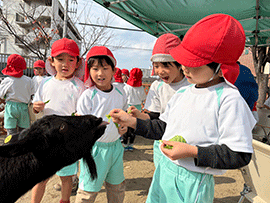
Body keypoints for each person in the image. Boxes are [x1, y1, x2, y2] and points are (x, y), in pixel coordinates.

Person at [109, 14, 256, 202]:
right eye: (184, 60)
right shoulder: (183, 93)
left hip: (193, 181)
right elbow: (163, 128)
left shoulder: (228, 99)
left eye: (193, 64)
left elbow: (239, 154)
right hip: (165, 171)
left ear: (218, 67)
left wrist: (192, 152)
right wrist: (132, 122)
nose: (185, 67)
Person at [31, 38, 85, 203]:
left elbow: (82, 112)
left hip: (67, 140)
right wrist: (36, 107)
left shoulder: (79, 86)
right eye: (60, 59)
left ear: (77, 63)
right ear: (51, 61)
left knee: (66, 177)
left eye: (70, 59)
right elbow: (36, 108)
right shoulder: (45, 83)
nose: (65, 63)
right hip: (46, 138)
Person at [75, 46, 127, 203]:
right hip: (94, 150)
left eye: (105, 68)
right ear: (89, 71)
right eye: (95, 68)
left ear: (113, 70)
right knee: (88, 192)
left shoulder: (120, 92)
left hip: (115, 147)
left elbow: (123, 115)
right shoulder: (88, 96)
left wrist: (123, 127)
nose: (100, 73)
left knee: (117, 186)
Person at [128, 33, 189, 164]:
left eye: (166, 65)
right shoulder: (157, 86)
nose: (160, 71)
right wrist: (138, 115)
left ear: (179, 64)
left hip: (186, 143)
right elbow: (154, 116)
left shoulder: (191, 85)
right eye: (156, 66)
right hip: (162, 140)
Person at [0, 54, 34, 138]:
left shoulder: (7, 80)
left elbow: (1, 95)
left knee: (11, 131)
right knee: (23, 131)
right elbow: (32, 92)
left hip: (11, 107)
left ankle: (10, 146)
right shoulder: (28, 80)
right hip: (24, 107)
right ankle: (22, 147)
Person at [122, 67, 146, 151]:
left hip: (128, 107)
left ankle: (125, 144)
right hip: (137, 109)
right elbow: (143, 97)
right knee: (133, 127)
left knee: (126, 126)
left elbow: (123, 97)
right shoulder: (140, 87)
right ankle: (131, 144)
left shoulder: (127, 87)